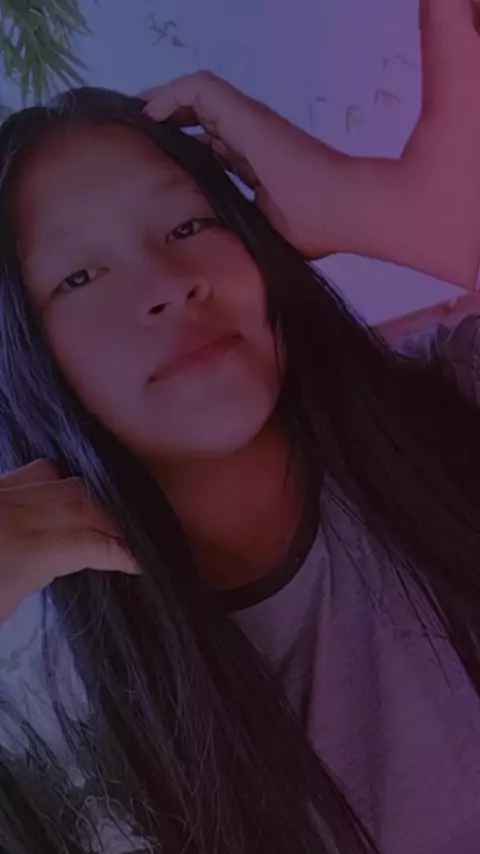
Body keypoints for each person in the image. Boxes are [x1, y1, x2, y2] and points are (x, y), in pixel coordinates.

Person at [1, 1, 480, 852]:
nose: (166, 284)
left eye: (190, 225)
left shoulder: (449, 402)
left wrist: (405, 214)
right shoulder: (50, 695)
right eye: (78, 276)